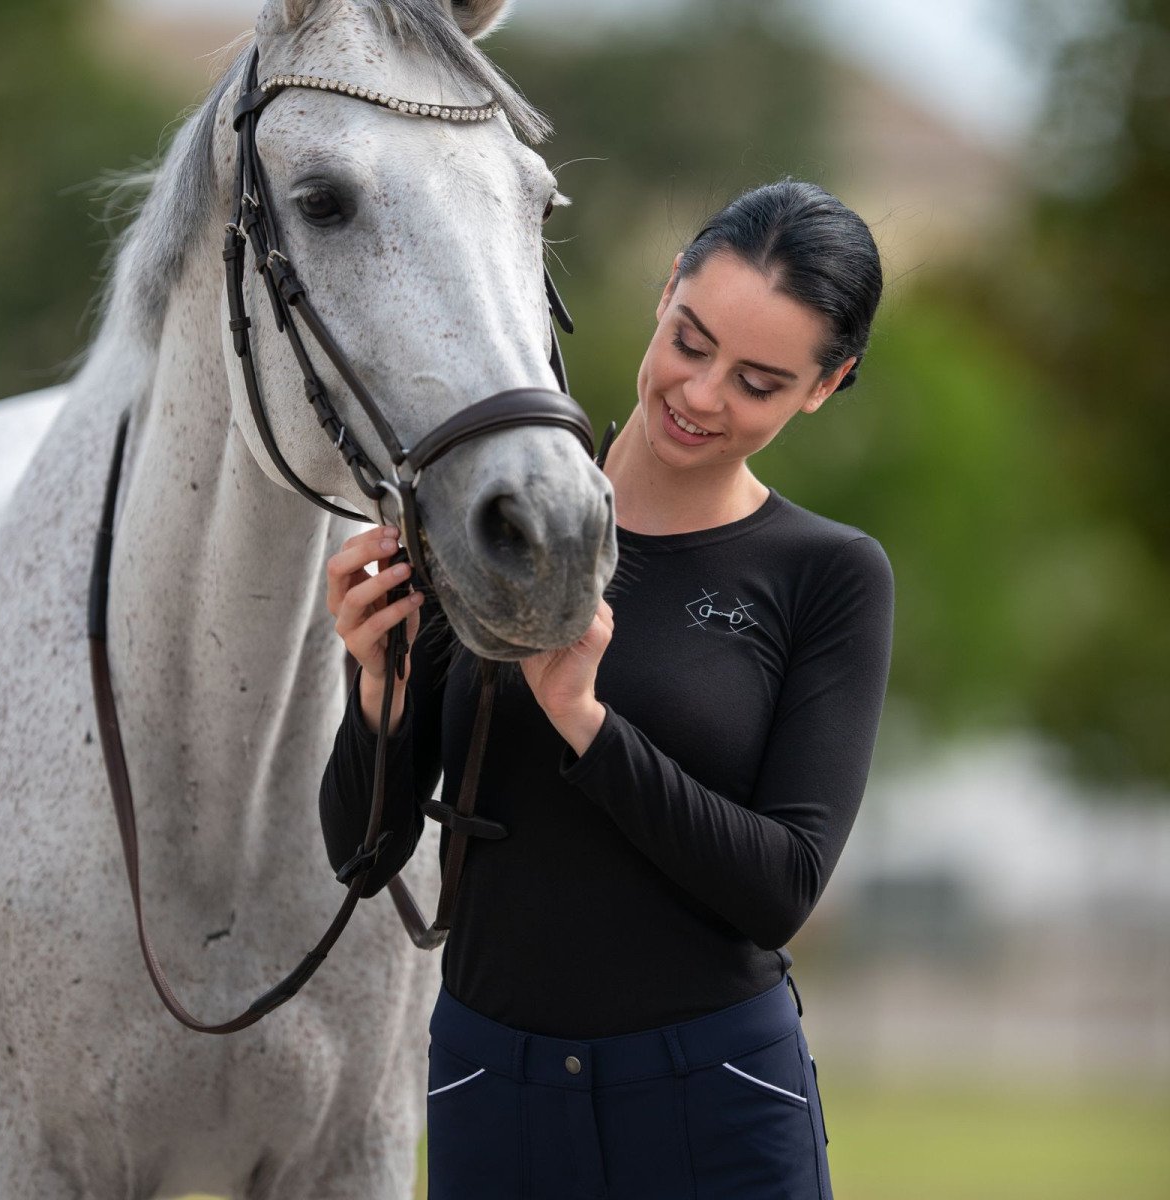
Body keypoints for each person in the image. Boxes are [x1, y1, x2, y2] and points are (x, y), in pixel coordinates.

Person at [320, 177, 894, 1200]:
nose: (702, 394)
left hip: (716, 1093)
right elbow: (364, 859)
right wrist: (378, 690)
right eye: (691, 339)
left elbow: (779, 889)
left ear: (825, 384)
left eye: (760, 382)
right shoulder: (499, 518)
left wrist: (586, 723)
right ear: (668, 287)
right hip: (491, 1087)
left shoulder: (828, 574)